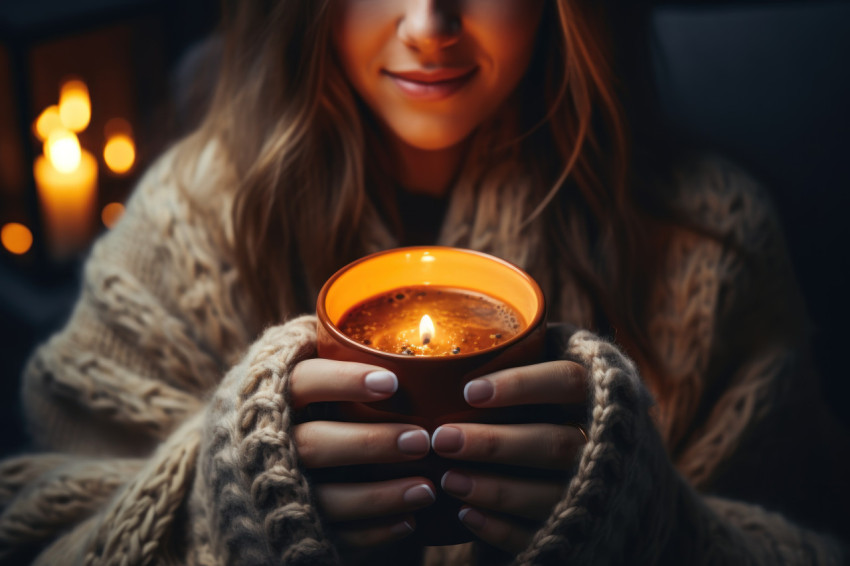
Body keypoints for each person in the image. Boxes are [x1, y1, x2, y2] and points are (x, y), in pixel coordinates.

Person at [1, 0, 848, 564]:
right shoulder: (188, 225)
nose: (430, 24)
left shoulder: (709, 245)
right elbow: (39, 530)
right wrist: (228, 503)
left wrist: (653, 526)